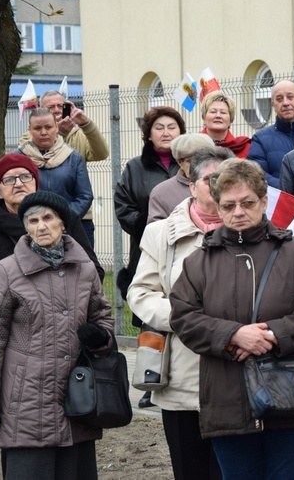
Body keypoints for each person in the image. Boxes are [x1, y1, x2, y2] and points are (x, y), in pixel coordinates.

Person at [169, 158, 294, 479]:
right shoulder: (198, 262)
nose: (238, 212)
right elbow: (184, 317)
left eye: (247, 203)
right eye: (229, 205)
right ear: (217, 207)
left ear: (263, 202)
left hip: (293, 398)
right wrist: (233, 335)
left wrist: (272, 334)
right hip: (227, 400)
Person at [0, 191, 114, 480]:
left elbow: (102, 317)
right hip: (26, 404)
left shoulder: (85, 268)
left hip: (77, 400)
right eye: (32, 220)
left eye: (48, 218)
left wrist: (101, 338)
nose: (41, 226)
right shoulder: (6, 271)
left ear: (63, 223)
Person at [128, 146, 234, 480]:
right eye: (209, 180)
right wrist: (185, 318)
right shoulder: (161, 234)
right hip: (181, 377)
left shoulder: (252, 233)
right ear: (191, 185)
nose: (218, 187)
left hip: (237, 375)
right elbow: (140, 293)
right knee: (191, 470)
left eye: (226, 179)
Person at [0, 154, 103, 311]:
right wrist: (20, 303)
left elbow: (94, 272)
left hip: (67, 316)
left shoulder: (65, 218)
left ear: (35, 183)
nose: (18, 184)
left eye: (25, 176)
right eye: (9, 180)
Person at [115, 106, 185, 408]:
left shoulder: (191, 165)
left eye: (172, 127)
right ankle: (149, 379)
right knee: (152, 315)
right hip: (149, 249)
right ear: (148, 134)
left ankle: (181, 379)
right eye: (159, 127)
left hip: (187, 250)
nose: (166, 132)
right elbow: (123, 209)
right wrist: (157, 226)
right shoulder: (134, 168)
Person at [20, 90, 109, 248]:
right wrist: (56, 131)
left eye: (61, 105)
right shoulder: (30, 138)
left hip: (79, 217)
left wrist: (86, 124)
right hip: (37, 220)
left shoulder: (78, 136)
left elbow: (101, 153)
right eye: (51, 107)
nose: (57, 110)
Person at [15, 108, 94, 243]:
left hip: (68, 229)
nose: (44, 132)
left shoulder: (73, 158)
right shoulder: (17, 159)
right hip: (28, 230)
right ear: (29, 129)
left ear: (56, 127)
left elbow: (84, 196)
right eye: (37, 128)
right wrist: (31, 220)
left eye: (48, 127)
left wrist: (63, 219)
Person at [248, 80, 294, 187]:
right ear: (273, 104)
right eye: (279, 99)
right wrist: (286, 190)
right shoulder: (260, 139)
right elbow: (256, 174)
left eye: (290, 97)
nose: (285, 103)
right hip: (279, 201)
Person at [147, 133, 215, 223]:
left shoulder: (224, 184)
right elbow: (156, 232)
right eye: (190, 161)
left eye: (203, 160)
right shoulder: (161, 193)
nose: (198, 165)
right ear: (179, 162)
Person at [199, 91, 251, 158]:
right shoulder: (192, 147)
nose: (218, 116)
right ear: (204, 117)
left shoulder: (244, 148)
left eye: (223, 112)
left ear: (231, 119)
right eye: (213, 112)